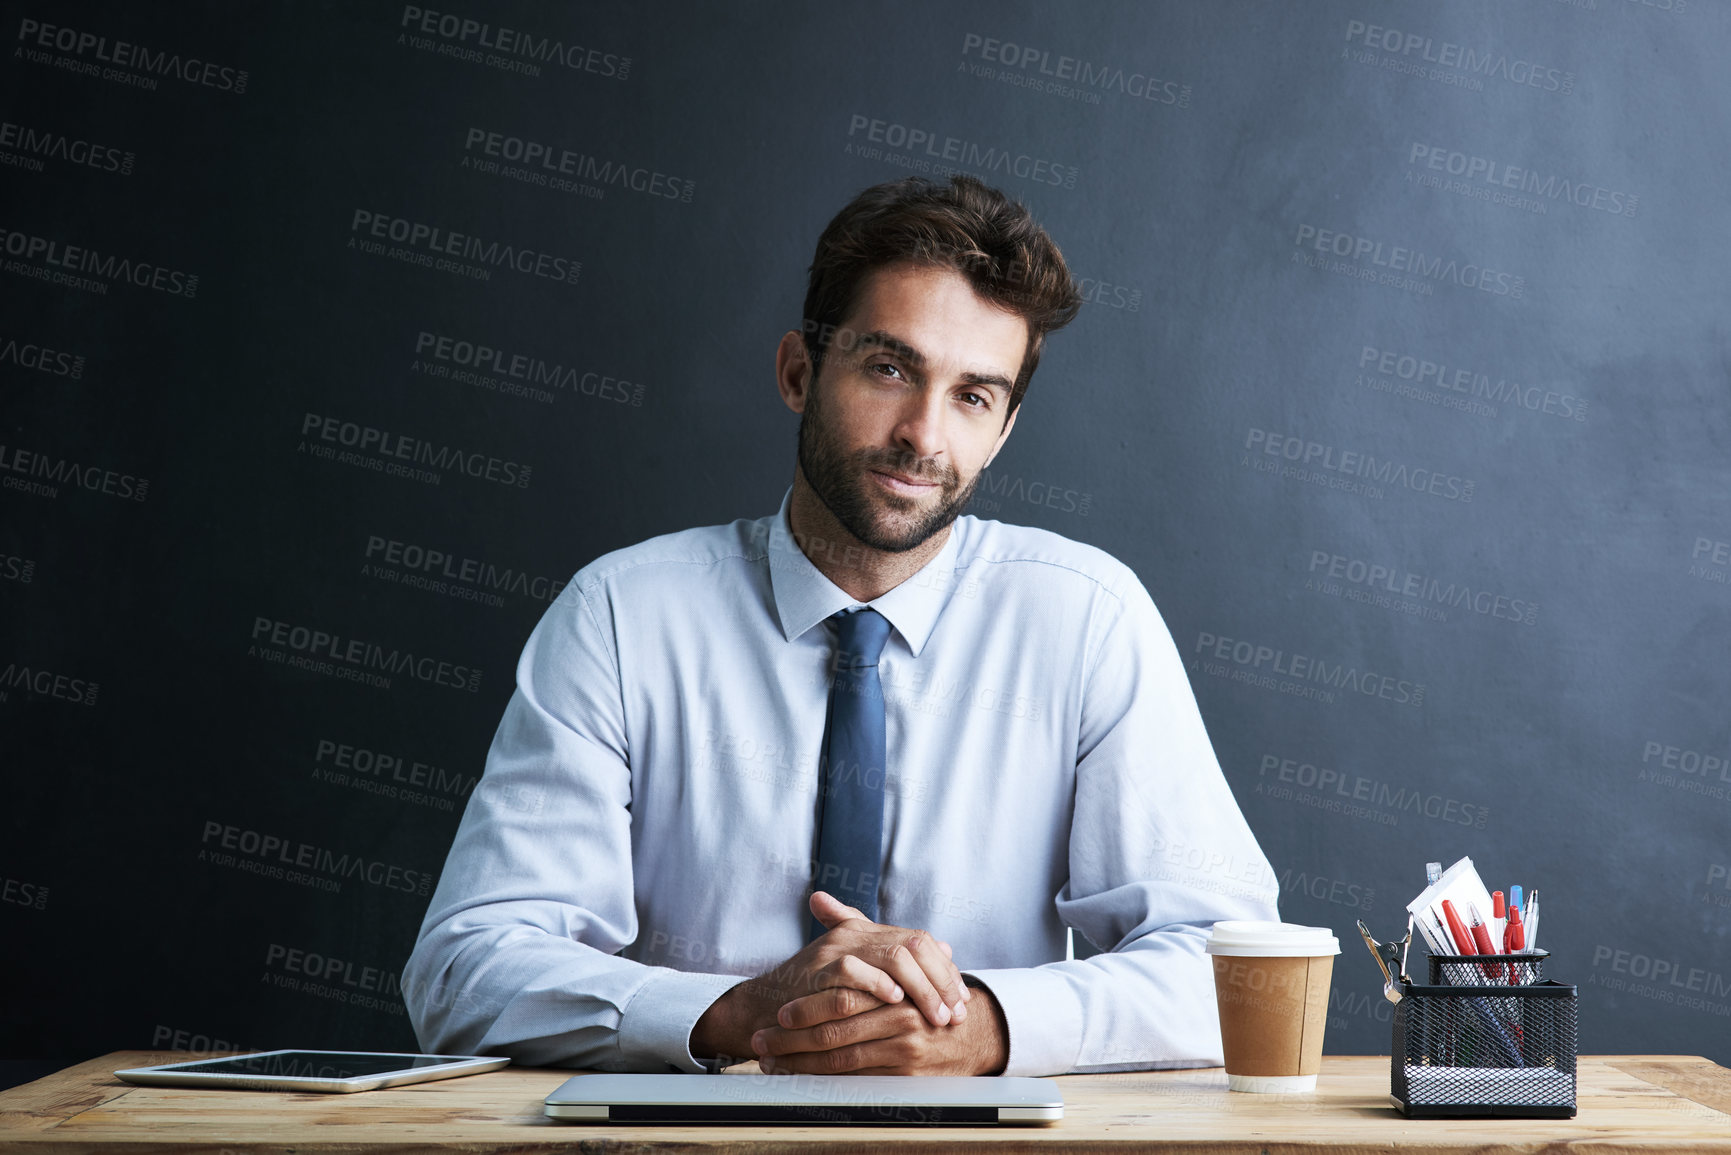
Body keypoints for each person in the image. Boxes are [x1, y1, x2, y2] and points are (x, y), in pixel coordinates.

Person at [403, 175, 1278, 1078]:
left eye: (972, 396)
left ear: (1004, 429)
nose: (922, 436)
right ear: (798, 372)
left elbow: (1239, 969)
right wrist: (733, 1012)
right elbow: (463, 971)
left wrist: (984, 1025)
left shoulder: (1088, 619)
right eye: (889, 369)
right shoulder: (619, 617)